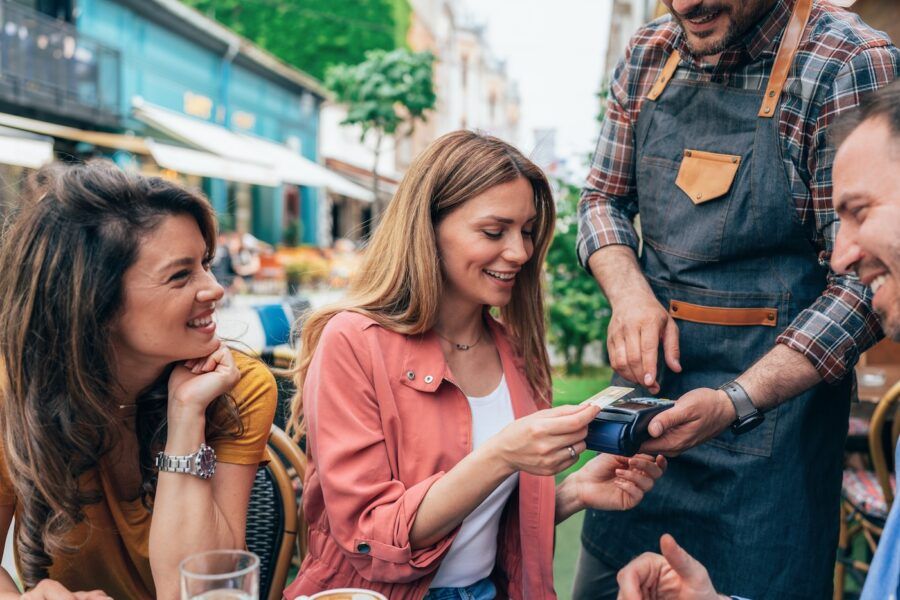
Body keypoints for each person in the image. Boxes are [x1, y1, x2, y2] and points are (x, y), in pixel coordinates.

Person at [575, 0, 899, 597]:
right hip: (641, 444)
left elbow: (866, 276)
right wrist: (628, 292)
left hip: (769, 461)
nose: (685, 5)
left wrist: (734, 401)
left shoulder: (847, 61)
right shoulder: (650, 51)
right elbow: (602, 199)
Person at [283, 130, 667, 600]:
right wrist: (502, 454)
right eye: (493, 231)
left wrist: (573, 492)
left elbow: (480, 529)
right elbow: (371, 534)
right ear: (428, 228)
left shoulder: (516, 350)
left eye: (527, 231)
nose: (521, 252)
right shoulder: (353, 342)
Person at [0, 162, 277, 600]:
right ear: (95, 300)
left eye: (205, 262)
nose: (215, 288)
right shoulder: (13, 393)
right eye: (181, 274)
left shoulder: (238, 387)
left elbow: (195, 590)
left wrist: (186, 415)